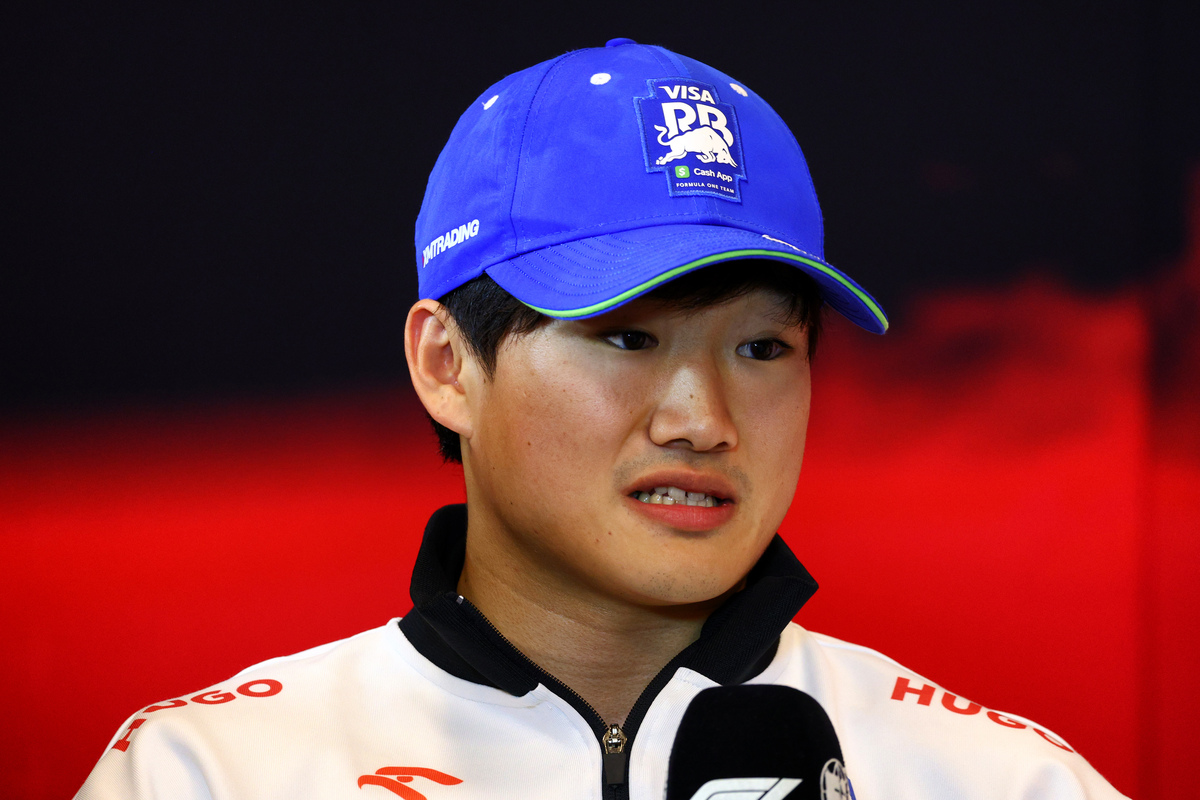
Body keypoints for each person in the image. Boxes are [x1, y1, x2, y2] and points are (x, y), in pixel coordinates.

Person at [76, 39, 1126, 800]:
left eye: (763, 349)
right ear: (446, 365)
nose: (703, 421)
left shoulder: (1002, 780)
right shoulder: (207, 773)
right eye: (627, 337)